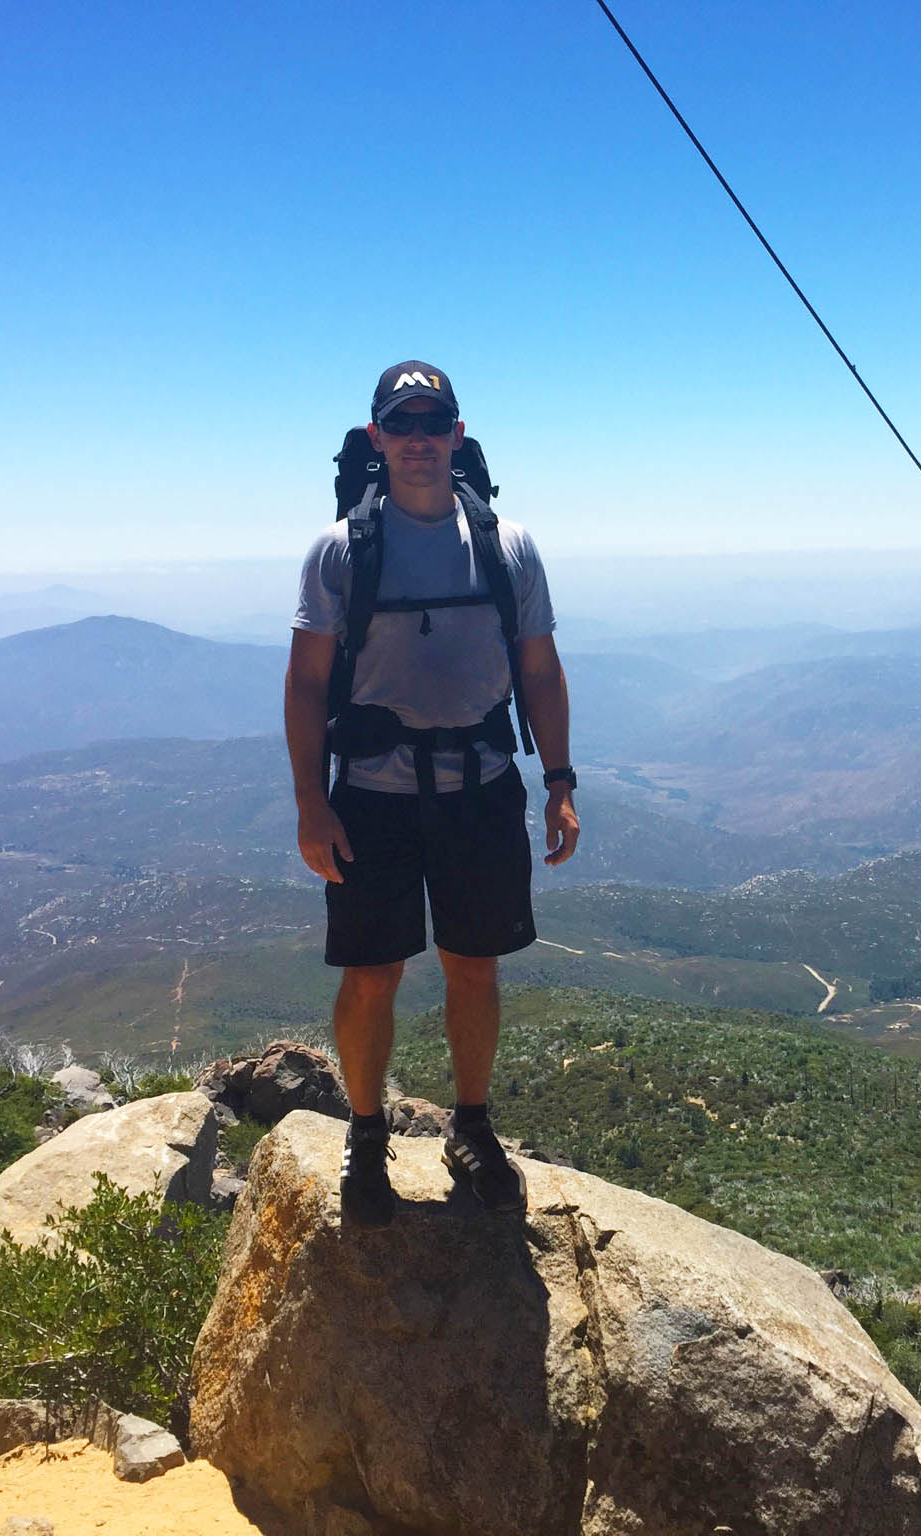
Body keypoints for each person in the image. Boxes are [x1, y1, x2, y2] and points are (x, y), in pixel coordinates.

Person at [284, 360, 578, 1226]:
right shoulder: (341, 550)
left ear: (457, 434)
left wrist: (558, 783)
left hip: (481, 787)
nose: (419, 440)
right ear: (377, 438)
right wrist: (310, 800)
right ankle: (367, 1136)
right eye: (401, 424)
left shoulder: (506, 543)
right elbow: (305, 684)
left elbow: (540, 668)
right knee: (372, 975)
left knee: (472, 966)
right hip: (370, 796)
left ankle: (472, 1127)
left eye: (433, 423)